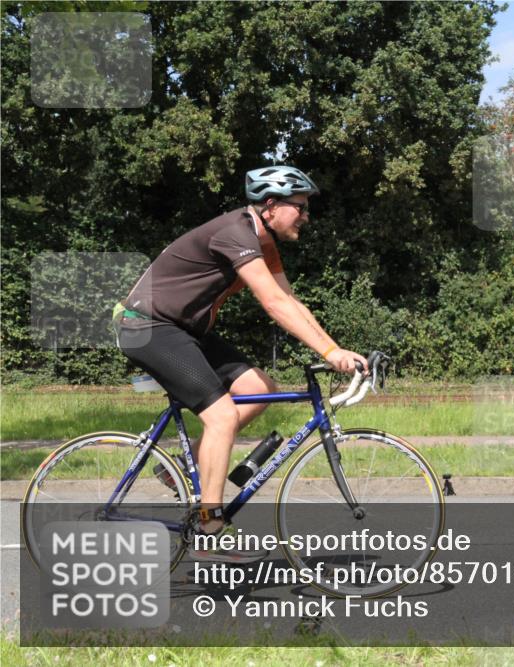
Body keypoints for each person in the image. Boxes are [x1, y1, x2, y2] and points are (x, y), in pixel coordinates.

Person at [114, 166, 367, 562]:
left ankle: (186, 464)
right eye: (299, 207)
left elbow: (291, 301)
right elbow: (273, 303)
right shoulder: (235, 233)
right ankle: (208, 528)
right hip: (146, 327)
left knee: (258, 388)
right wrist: (330, 355)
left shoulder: (263, 242)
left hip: (181, 329)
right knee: (222, 418)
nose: (306, 215)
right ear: (270, 206)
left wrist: (334, 347)